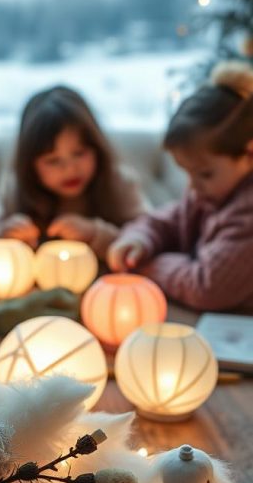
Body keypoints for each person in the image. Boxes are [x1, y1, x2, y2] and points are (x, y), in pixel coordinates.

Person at [107, 62, 253, 311]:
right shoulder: (209, 194)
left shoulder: (247, 214)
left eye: (204, 174)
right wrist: (139, 241)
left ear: (249, 153)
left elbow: (207, 288)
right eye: (187, 173)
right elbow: (169, 220)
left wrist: (145, 264)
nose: (193, 186)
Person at [0, 85, 145, 259]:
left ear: (97, 148)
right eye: (53, 161)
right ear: (29, 164)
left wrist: (94, 233)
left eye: (79, 153)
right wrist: (4, 234)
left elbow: (147, 238)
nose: (70, 169)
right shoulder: (15, 188)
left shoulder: (119, 182)